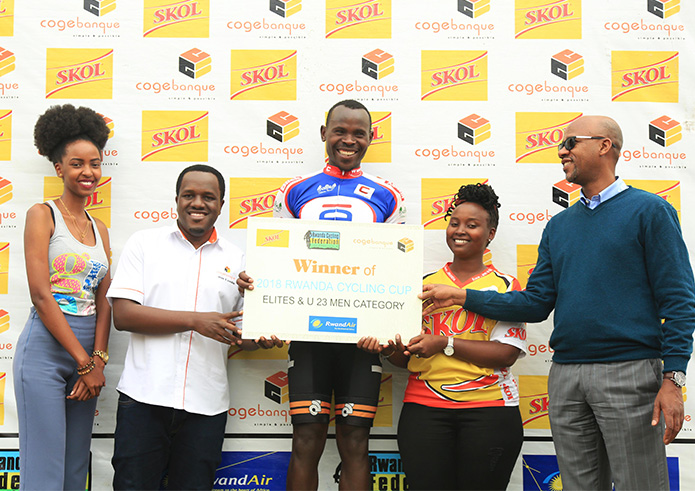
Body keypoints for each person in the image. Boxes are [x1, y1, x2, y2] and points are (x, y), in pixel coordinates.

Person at [420, 115, 695, 491]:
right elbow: (536, 304)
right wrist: (461, 295)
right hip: (566, 376)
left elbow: (680, 302)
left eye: (570, 143)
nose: (562, 151)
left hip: (629, 372)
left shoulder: (650, 211)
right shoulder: (559, 226)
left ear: (604, 146)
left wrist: (673, 379)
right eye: (560, 145)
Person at [239, 99, 406, 490]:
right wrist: (259, 286)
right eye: (340, 131)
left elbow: (394, 266)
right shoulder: (295, 190)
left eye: (358, 133)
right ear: (323, 134)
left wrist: (386, 327)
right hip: (309, 336)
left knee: (356, 442)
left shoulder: (389, 196)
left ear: (370, 138)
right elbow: (277, 259)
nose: (348, 140)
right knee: (306, 441)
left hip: (361, 342)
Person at [108, 165, 270, 490]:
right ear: (177, 200)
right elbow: (123, 315)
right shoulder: (144, 244)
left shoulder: (237, 259)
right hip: (144, 398)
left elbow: (241, 333)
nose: (198, 203)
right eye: (189, 195)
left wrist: (262, 335)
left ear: (221, 204)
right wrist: (196, 320)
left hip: (205, 405)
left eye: (208, 197)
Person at [361, 183, 525, 490]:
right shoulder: (420, 285)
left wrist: (445, 343)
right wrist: (388, 348)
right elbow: (402, 359)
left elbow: (506, 354)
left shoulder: (505, 286)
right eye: (454, 223)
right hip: (424, 411)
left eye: (472, 225)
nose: (460, 231)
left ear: (490, 234)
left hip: (489, 411)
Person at [13, 104, 112, 490]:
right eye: (76, 164)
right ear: (59, 169)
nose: (87, 172)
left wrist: (98, 359)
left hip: (88, 355)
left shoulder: (100, 229)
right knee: (45, 470)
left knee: (74, 470)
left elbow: (104, 298)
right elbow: (41, 294)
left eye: (95, 163)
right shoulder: (43, 215)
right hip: (47, 350)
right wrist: (83, 362)